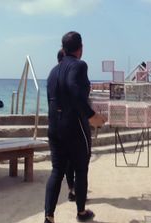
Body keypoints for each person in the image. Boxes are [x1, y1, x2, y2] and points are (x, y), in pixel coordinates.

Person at [44, 31, 106, 223]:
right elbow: (74, 89)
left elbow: (51, 100)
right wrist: (92, 116)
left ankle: (49, 217)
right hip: (75, 127)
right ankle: (80, 212)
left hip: (54, 127)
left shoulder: (53, 71)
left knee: (57, 171)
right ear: (80, 49)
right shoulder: (79, 65)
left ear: (63, 48)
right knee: (81, 169)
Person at [57, 48, 77, 202]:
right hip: (71, 124)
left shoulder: (53, 75)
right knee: (76, 163)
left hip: (59, 125)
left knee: (67, 164)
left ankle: (72, 189)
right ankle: (75, 192)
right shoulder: (71, 74)